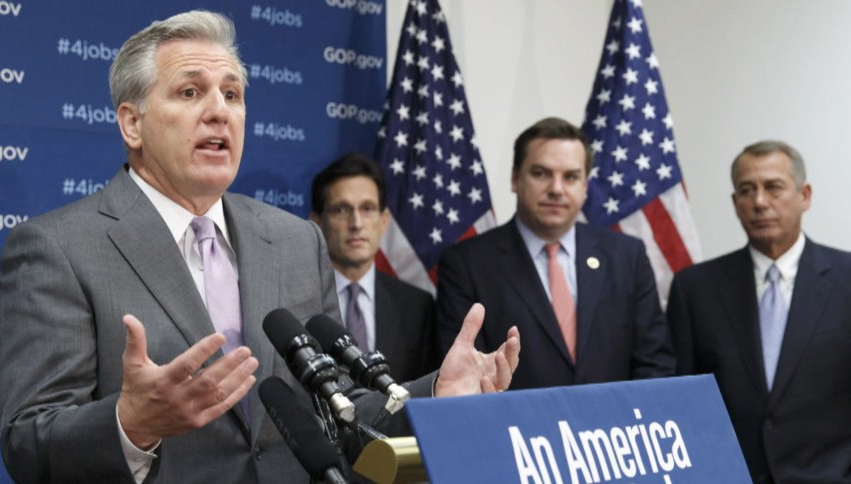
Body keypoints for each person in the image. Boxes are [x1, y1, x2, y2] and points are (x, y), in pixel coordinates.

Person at [0, 11, 520, 483]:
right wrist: (131, 423)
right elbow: (27, 443)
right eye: (190, 92)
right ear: (133, 123)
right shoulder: (58, 248)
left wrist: (436, 393)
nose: (218, 111)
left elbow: (337, 405)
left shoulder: (295, 240)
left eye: (232, 94)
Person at [436, 117, 674, 390]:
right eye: (541, 173)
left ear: (585, 187)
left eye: (570, 177)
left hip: (615, 418)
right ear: (515, 179)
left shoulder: (628, 256)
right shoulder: (466, 264)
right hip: (516, 418)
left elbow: (655, 364)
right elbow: (466, 378)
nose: (556, 189)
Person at [667, 140, 851, 483]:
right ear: (735, 204)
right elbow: (681, 401)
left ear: (804, 195)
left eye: (773, 187)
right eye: (747, 190)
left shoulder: (846, 280)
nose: (760, 202)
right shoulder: (695, 290)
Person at [310, 153, 440, 382]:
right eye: (341, 210)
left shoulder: (417, 307)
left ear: (383, 221)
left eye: (367, 208)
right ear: (317, 223)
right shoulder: (298, 301)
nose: (356, 224)